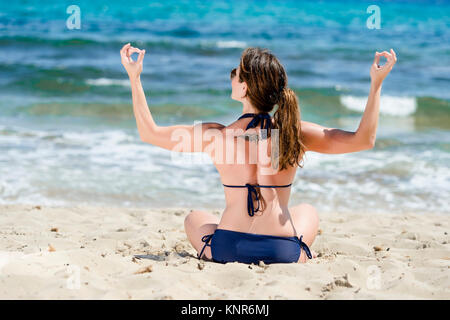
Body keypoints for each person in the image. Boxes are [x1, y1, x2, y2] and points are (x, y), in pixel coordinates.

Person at [120, 43, 397, 264]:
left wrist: (135, 78)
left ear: (244, 88)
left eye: (236, 73)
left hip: (228, 249)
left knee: (194, 217)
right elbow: (364, 140)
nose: (232, 75)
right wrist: (376, 85)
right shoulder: (294, 132)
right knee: (307, 211)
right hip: (282, 252)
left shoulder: (217, 135)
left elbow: (149, 133)